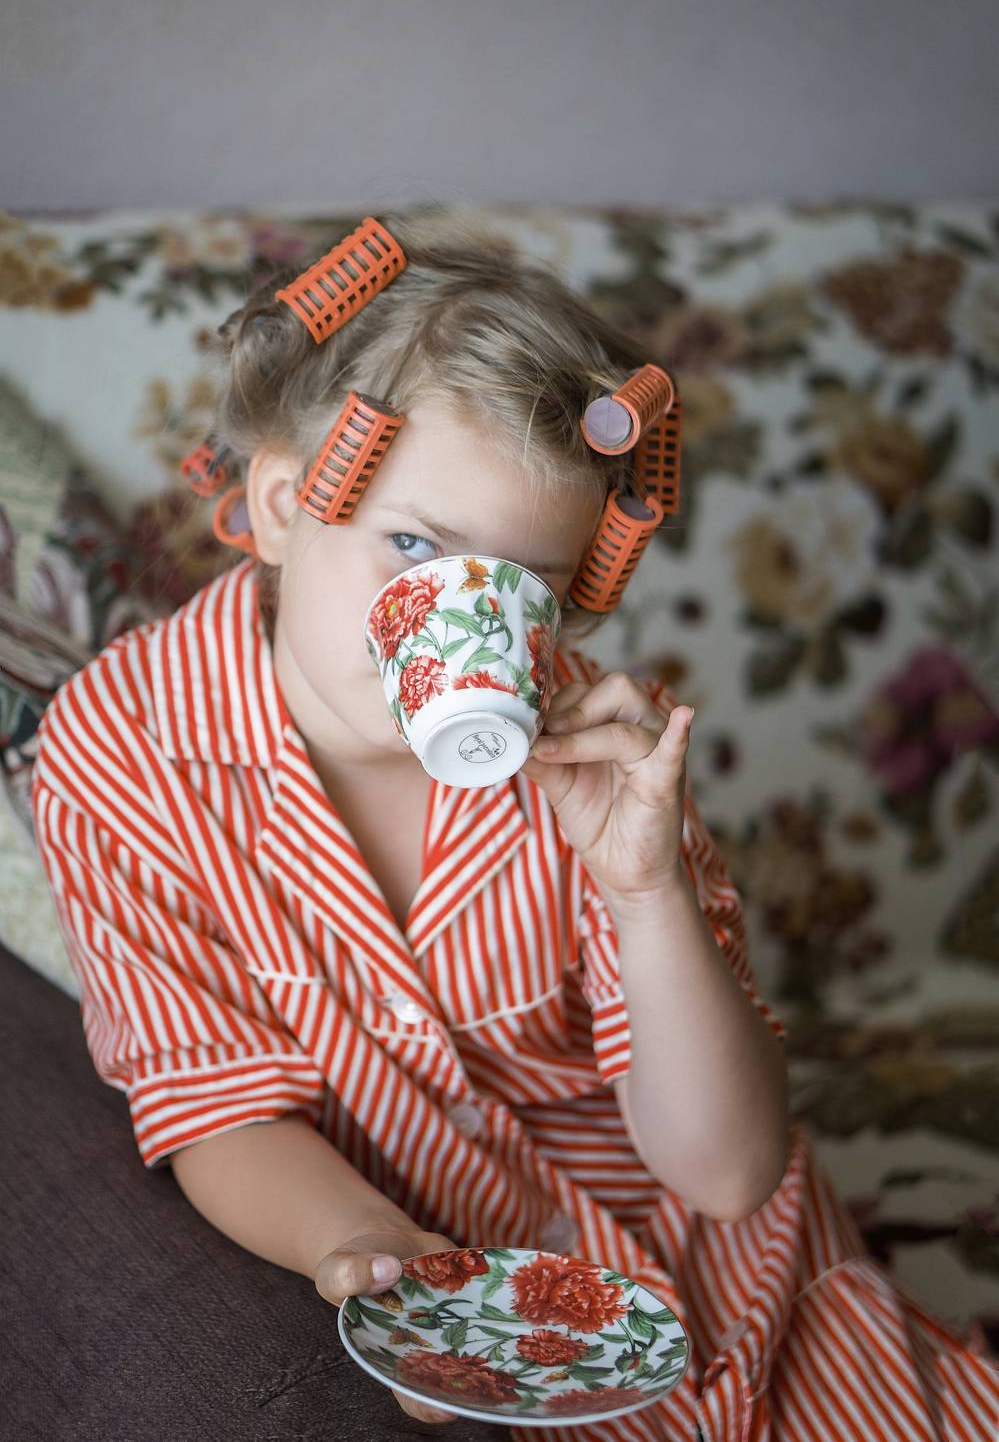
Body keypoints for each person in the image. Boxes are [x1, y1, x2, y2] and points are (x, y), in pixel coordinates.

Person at [30, 209, 997, 1442]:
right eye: (414, 546)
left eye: (521, 587)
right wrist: (366, 1247)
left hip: (759, 1303)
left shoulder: (602, 755)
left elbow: (727, 1175)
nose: (464, 630)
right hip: (489, 1329)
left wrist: (647, 892)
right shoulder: (122, 752)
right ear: (280, 505)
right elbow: (214, 1102)